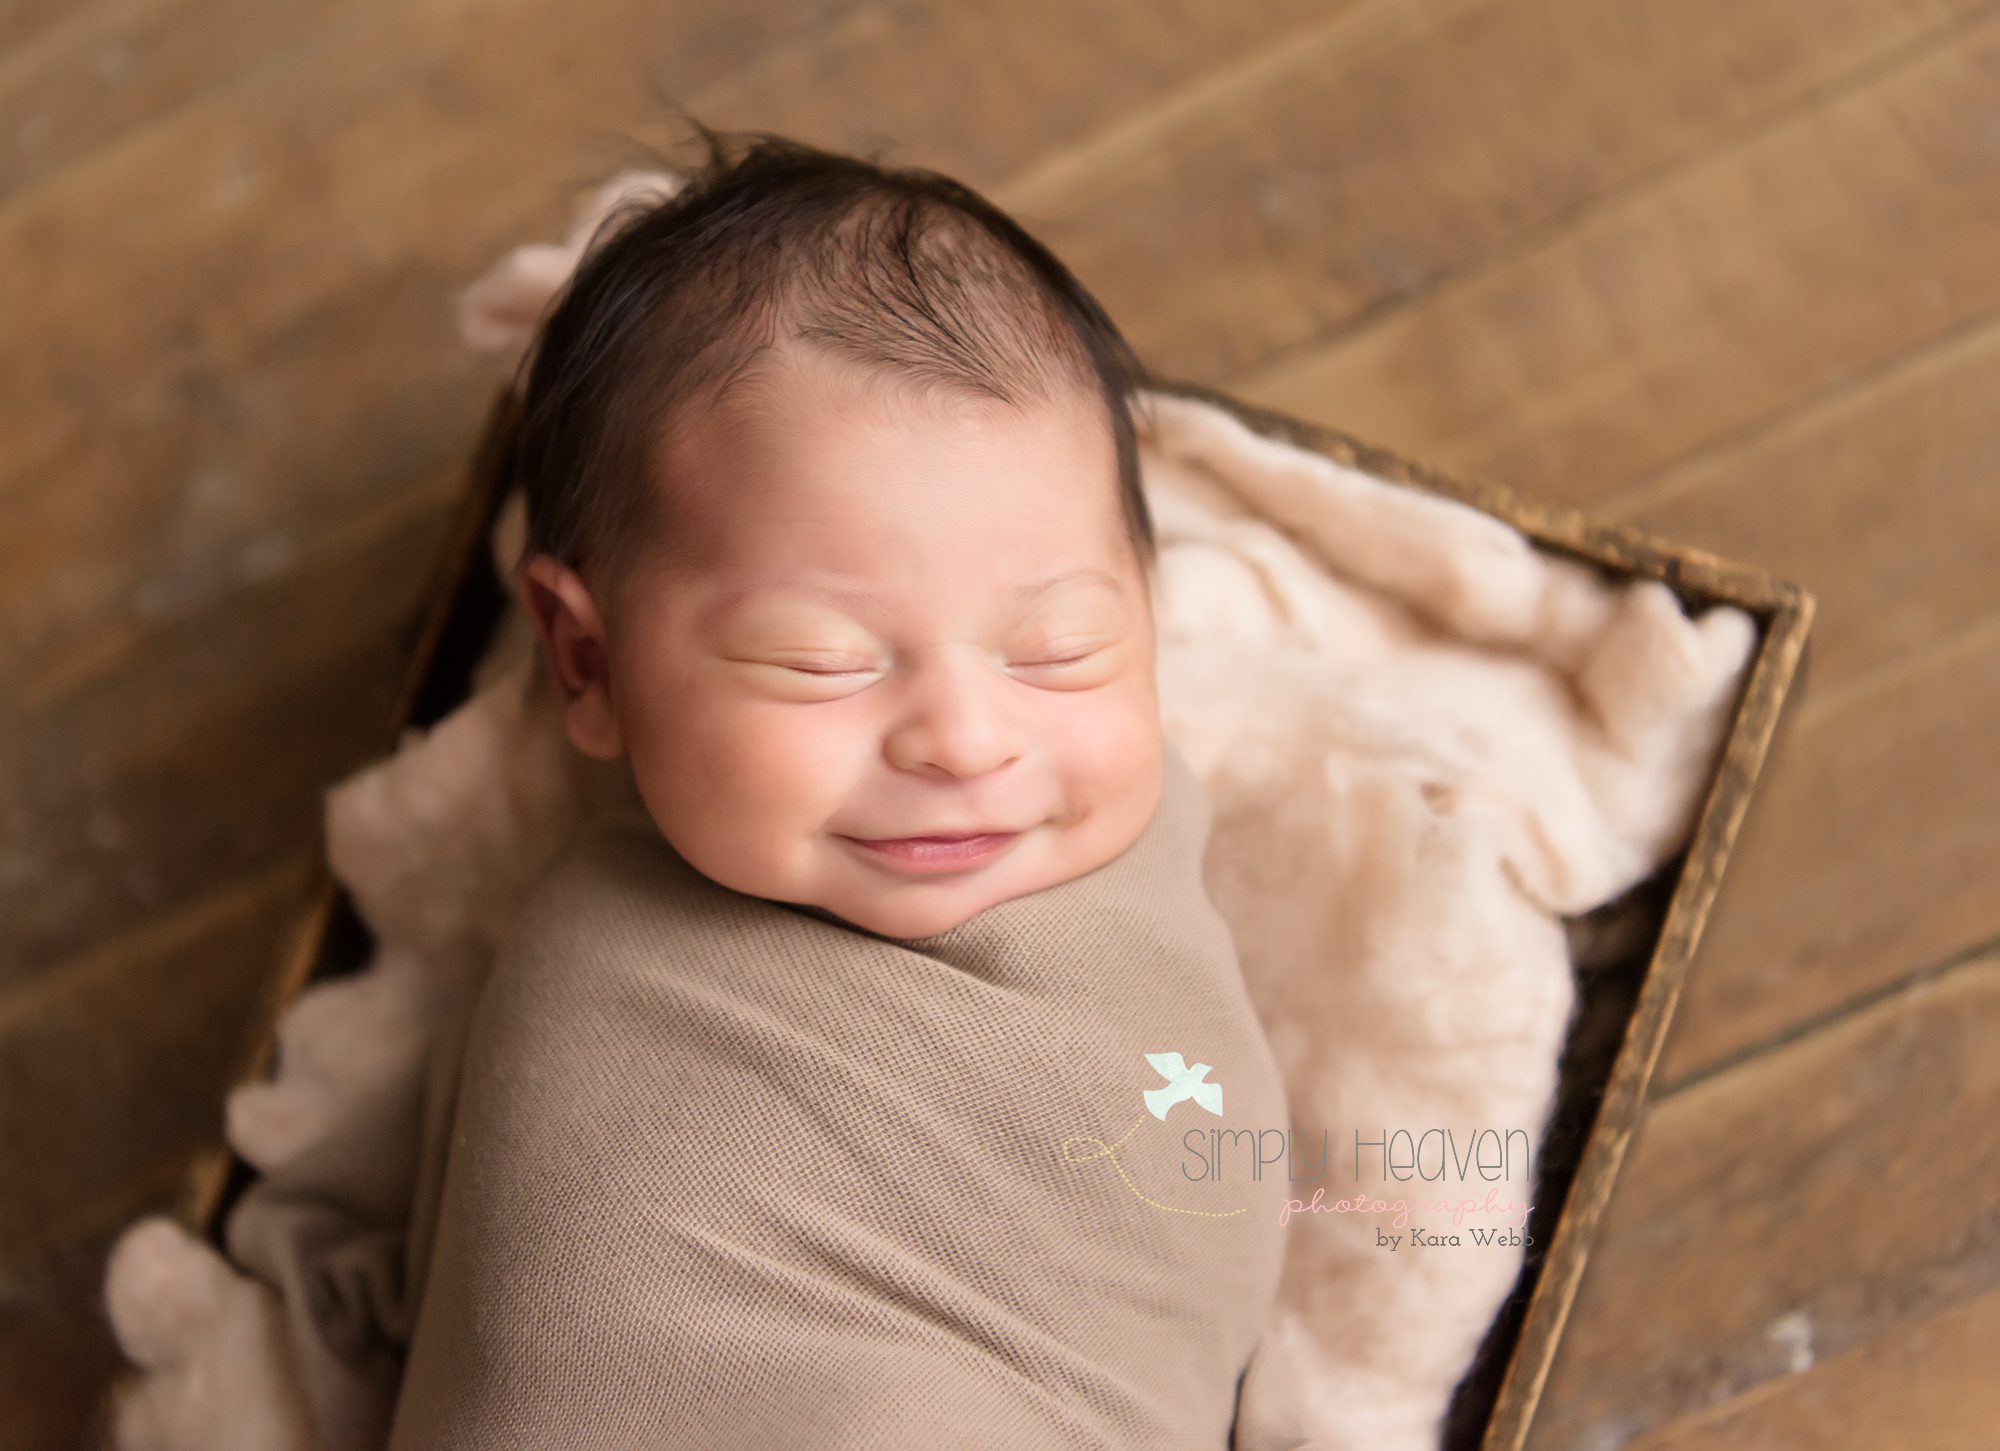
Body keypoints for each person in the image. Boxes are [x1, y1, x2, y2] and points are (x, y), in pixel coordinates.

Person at [385, 122, 1303, 1450]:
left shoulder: (1144, 845)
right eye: (817, 662)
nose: (964, 739)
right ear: (586, 659)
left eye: (1061, 649)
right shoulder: (606, 972)